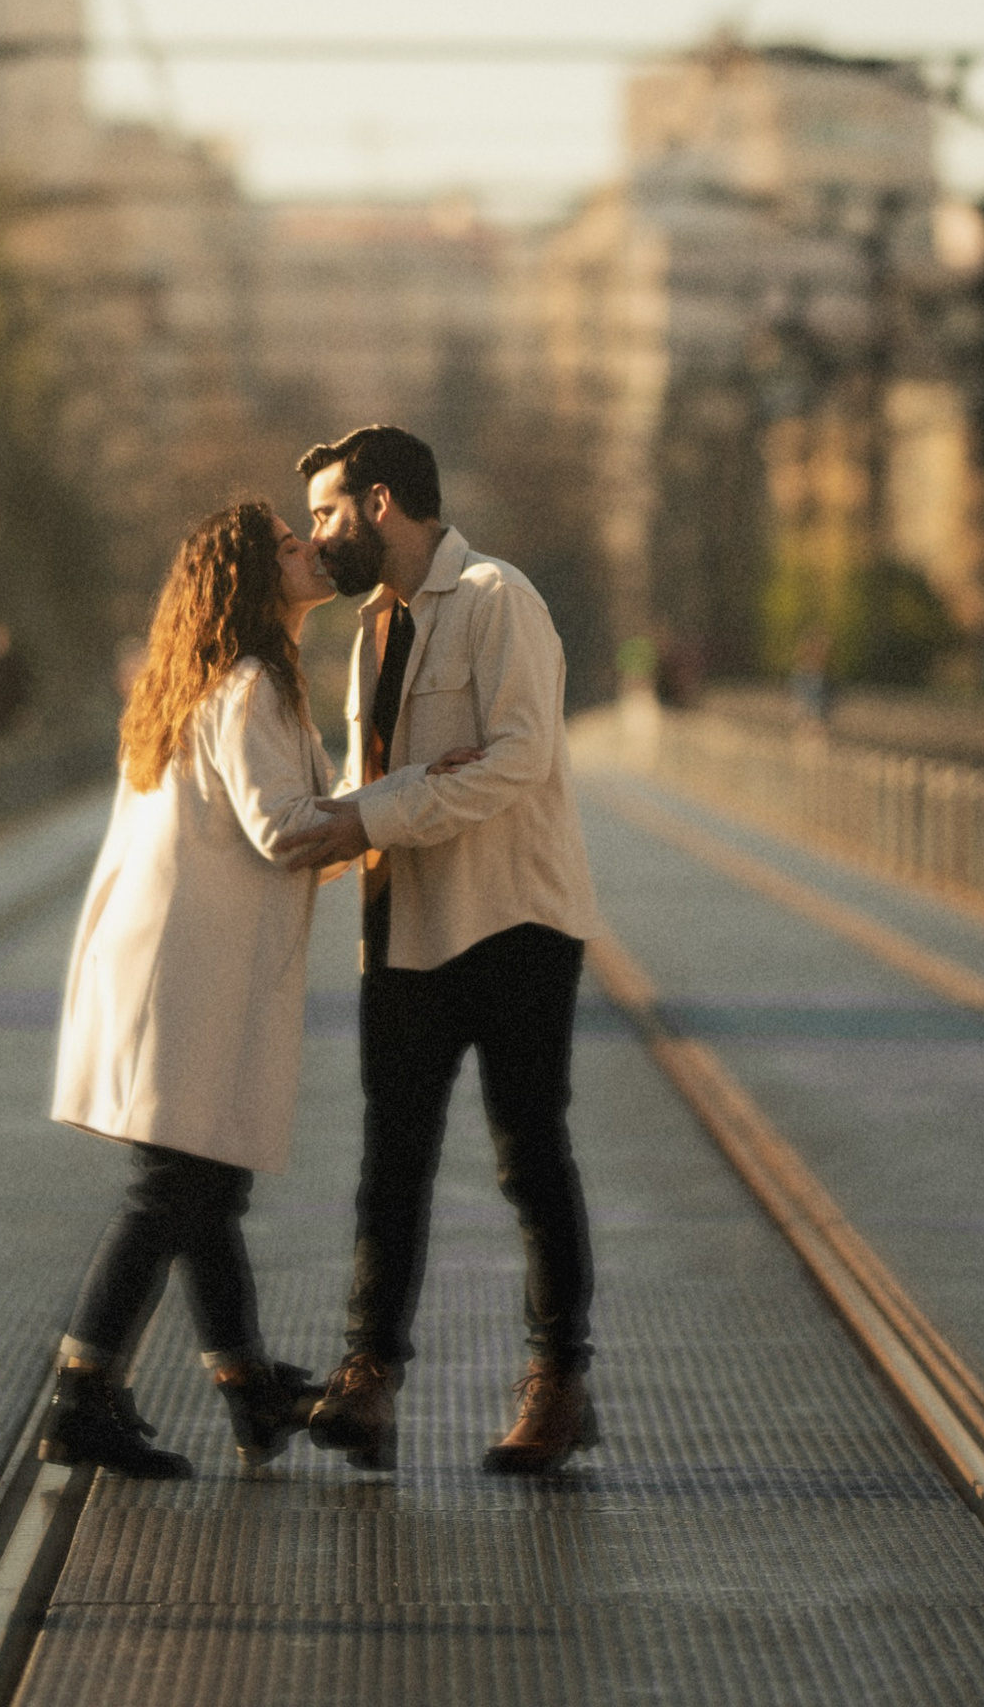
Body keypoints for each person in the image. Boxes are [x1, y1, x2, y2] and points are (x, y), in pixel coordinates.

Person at [274, 421, 604, 1480]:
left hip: (513, 916)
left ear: (380, 504)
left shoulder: (500, 599)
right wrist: (362, 815)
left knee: (526, 1152)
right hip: (403, 921)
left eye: (326, 511)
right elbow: (393, 783)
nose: (316, 536)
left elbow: (516, 761)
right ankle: (369, 1375)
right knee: (392, 1161)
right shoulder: (372, 628)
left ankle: (558, 1379)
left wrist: (386, 805)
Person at [44, 501, 339, 1480]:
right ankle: (80, 1392)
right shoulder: (251, 683)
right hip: (187, 973)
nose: (312, 549)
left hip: (176, 964)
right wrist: (404, 803)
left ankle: (247, 1386)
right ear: (256, 578)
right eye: (291, 545)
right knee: (170, 1188)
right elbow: (284, 828)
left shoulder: (207, 679)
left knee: (207, 1185)